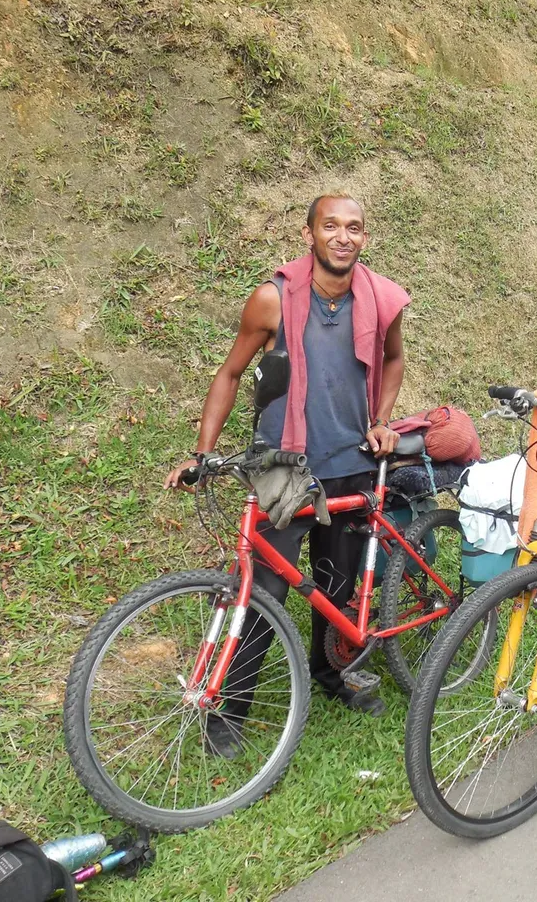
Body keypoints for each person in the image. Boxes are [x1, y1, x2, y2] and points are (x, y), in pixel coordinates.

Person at [164, 193, 410, 755]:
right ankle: (229, 714)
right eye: (331, 227)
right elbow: (229, 374)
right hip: (284, 468)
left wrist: (381, 419)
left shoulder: (380, 300)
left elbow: (393, 360)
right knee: (263, 591)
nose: (343, 237)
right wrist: (203, 453)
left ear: (364, 239)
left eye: (354, 228)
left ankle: (329, 676)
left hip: (352, 464)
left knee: (338, 585)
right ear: (309, 235)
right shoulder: (272, 301)